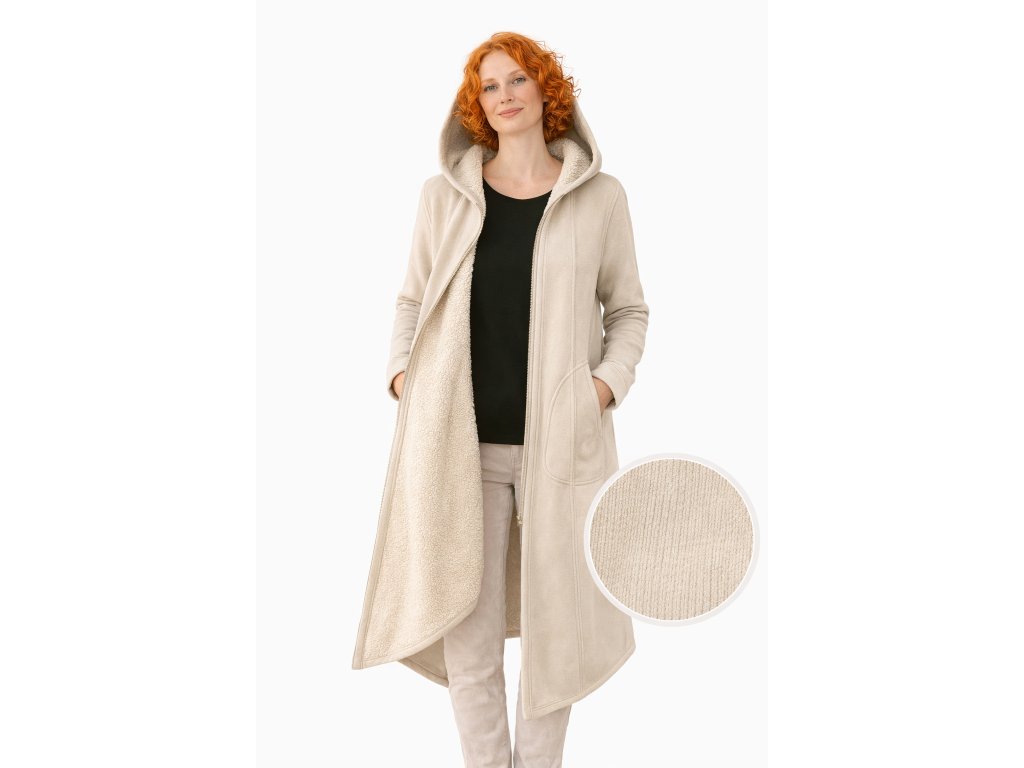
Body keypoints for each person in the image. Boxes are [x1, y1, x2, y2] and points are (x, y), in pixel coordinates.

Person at [352, 31, 649, 768]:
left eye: (518, 79)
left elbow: (628, 311)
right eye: (489, 86)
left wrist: (602, 388)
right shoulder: (445, 197)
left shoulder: (600, 197)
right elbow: (411, 300)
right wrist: (403, 376)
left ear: (546, 89)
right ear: (475, 104)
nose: (505, 95)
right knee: (469, 635)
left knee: (557, 638)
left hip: (563, 451)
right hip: (461, 447)